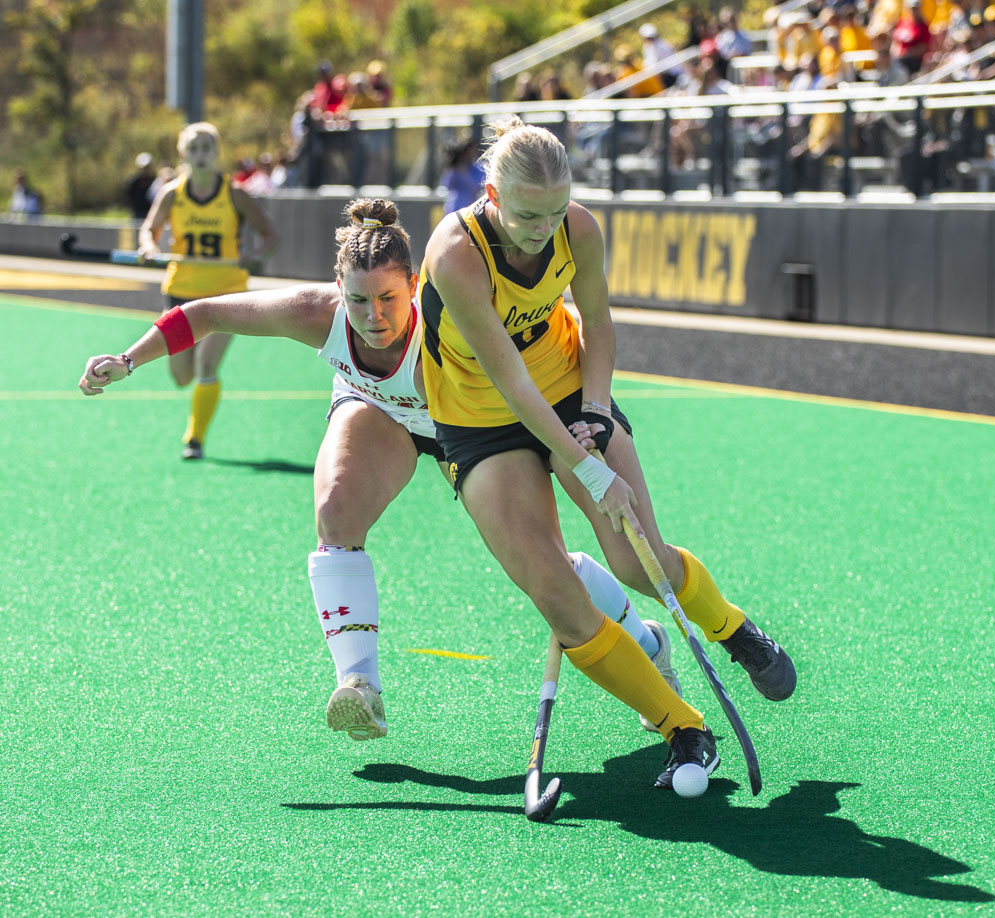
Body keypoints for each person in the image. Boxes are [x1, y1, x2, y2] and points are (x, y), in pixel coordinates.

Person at [79, 198, 682, 744]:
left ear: (415, 285)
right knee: (334, 510)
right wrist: (127, 360)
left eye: (389, 298)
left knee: (547, 570)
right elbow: (204, 313)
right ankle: (359, 688)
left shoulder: (456, 316)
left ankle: (646, 640)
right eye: (359, 299)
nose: (373, 316)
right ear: (338, 287)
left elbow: (530, 372)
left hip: (474, 426)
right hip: (382, 412)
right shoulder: (316, 313)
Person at [418, 117, 796, 794]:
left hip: (565, 388)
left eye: (555, 212)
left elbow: (597, 320)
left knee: (633, 556)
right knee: (556, 593)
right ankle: (682, 726)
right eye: (529, 215)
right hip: (479, 418)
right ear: (492, 194)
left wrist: (595, 412)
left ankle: (732, 628)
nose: (543, 229)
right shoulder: (457, 252)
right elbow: (507, 377)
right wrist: (587, 465)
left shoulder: (579, 230)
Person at [138, 121, 280, 461]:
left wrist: (256, 258)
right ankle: (195, 428)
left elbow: (270, 237)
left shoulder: (235, 194)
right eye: (194, 148)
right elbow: (149, 230)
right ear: (184, 153)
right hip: (181, 291)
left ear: (216, 154)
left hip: (226, 294)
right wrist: (148, 247)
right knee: (181, 376)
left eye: (207, 148)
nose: (200, 155)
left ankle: (195, 439)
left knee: (205, 364)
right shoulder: (173, 193)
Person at [440, 135, 485, 214]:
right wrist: (452, 167)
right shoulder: (456, 167)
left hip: (471, 211)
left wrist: (464, 172)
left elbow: (476, 188)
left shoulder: (479, 167)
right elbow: (447, 185)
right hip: (454, 208)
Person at [125, 153, 156, 219]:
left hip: (152, 214)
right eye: (144, 168)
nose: (146, 170)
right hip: (137, 215)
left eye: (148, 167)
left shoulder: (155, 181)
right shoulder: (133, 182)